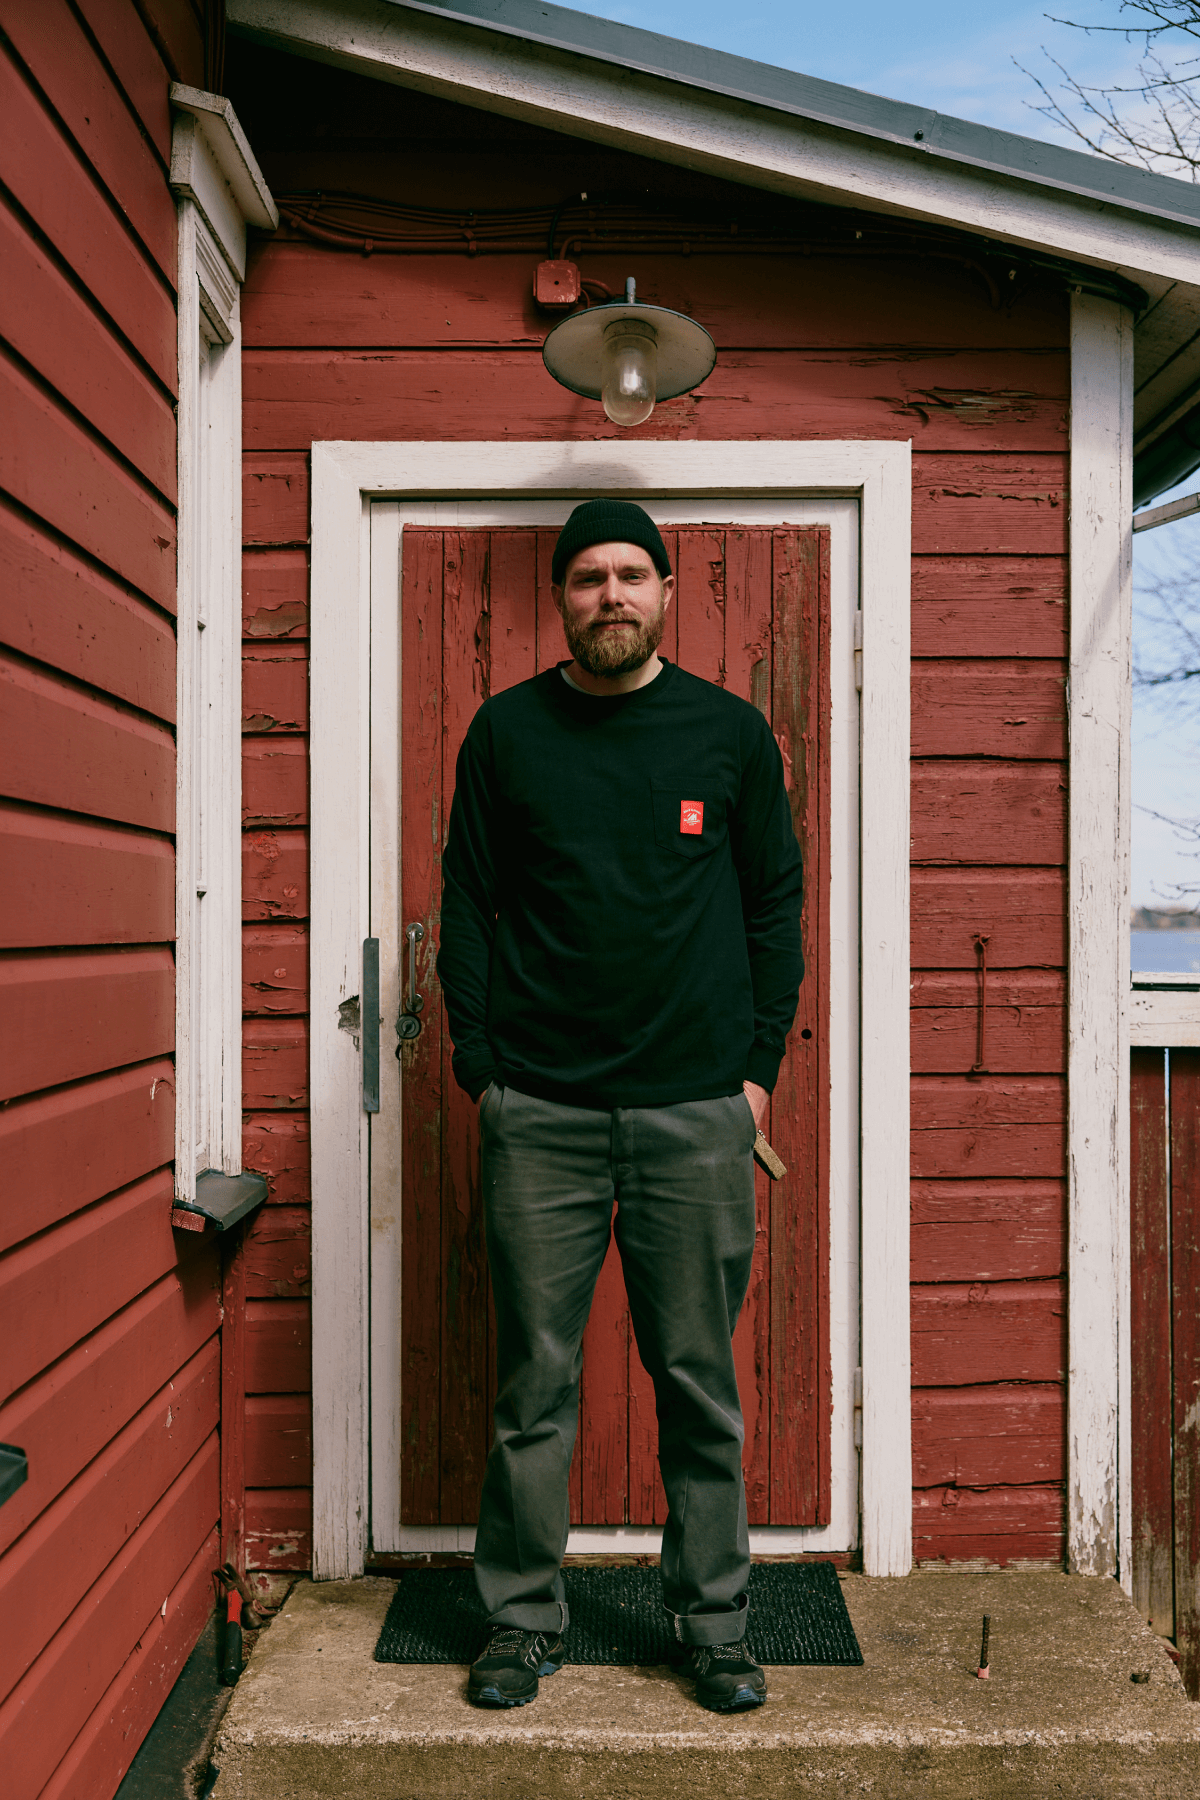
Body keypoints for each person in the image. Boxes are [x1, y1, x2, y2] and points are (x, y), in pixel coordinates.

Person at [436, 498, 804, 1714]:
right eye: (588, 576)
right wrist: (481, 1070)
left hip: (695, 1114)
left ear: (665, 590)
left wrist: (754, 1072)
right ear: (561, 595)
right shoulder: (506, 735)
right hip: (537, 1111)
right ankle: (520, 1624)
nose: (611, 595)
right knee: (532, 1386)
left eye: (631, 574)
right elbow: (472, 905)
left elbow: (772, 911)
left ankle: (714, 1625)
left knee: (698, 1382)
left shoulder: (728, 735)